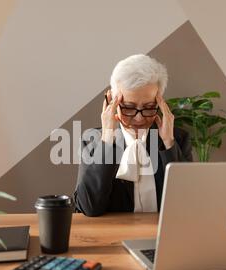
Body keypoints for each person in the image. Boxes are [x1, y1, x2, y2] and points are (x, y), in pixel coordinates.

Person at [74, 54, 192, 216]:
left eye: (149, 107)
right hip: (114, 237)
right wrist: (107, 140)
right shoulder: (92, 140)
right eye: (129, 107)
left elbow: (187, 205)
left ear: (159, 103)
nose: (139, 118)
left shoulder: (177, 139)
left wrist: (168, 144)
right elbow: (88, 208)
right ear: (112, 102)